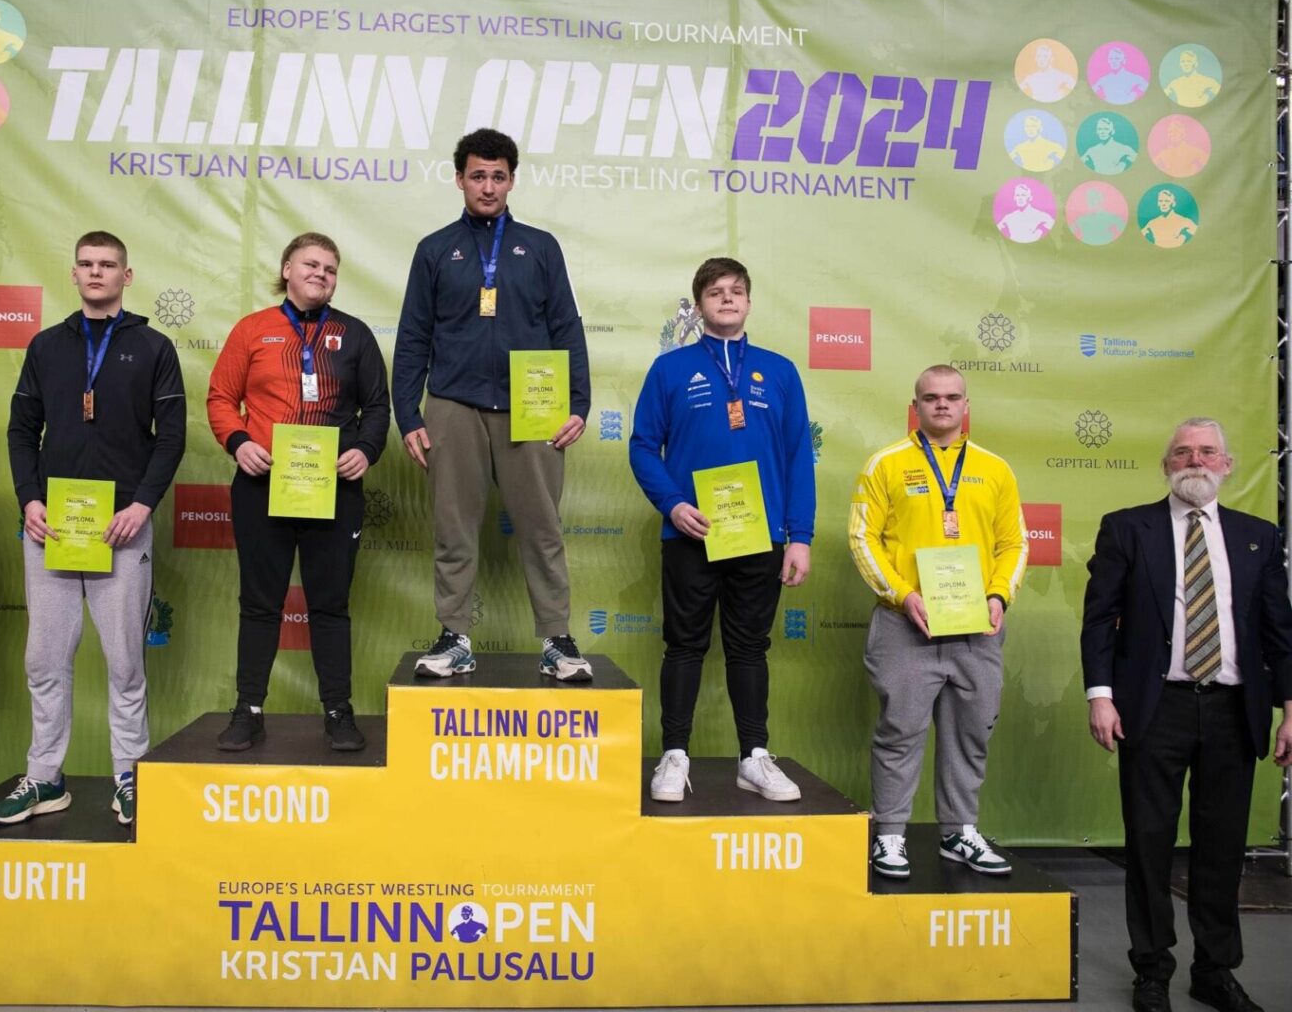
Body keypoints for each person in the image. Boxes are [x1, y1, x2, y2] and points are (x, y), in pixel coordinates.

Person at [1081, 418, 1292, 1012]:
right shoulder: (1128, 528)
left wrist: (1290, 710)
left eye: (1206, 452)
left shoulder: (1258, 536)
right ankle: (1151, 971)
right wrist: (1100, 695)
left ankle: (1214, 971)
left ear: (1227, 465)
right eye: (1182, 452)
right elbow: (1099, 620)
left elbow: (1280, 632)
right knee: (1149, 843)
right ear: (1166, 465)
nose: (1194, 461)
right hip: (1154, 708)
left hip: (1234, 709)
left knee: (1222, 848)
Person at [0, 231, 185, 826]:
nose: (96, 272)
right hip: (52, 527)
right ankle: (45, 778)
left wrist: (143, 506)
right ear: (73, 274)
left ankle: (129, 774)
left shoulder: (153, 347)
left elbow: (171, 437)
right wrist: (29, 500)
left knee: (125, 661)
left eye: (108, 264)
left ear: (127, 276)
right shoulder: (46, 346)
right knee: (45, 659)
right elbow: (22, 431)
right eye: (86, 264)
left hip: (122, 528)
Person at [392, 128, 592, 680]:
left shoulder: (540, 247)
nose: (487, 186)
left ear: (511, 181)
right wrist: (408, 414)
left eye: (498, 176)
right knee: (453, 529)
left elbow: (566, 327)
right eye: (477, 175)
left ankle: (557, 640)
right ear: (459, 179)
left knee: (542, 528)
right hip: (453, 403)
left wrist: (578, 402)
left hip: (534, 404)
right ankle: (454, 636)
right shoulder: (435, 249)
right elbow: (413, 335)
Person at [630, 257, 815, 803]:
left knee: (749, 649)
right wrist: (672, 505)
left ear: (749, 302)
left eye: (736, 290)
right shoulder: (670, 369)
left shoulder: (780, 372)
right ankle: (674, 755)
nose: (727, 298)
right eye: (715, 292)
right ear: (699, 306)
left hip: (760, 536)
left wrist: (800, 536)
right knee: (684, 646)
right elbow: (643, 446)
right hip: (692, 533)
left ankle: (754, 757)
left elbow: (798, 456)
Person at [206, 233, 390, 752]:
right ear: (287, 268)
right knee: (260, 604)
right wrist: (238, 442)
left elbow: (377, 407)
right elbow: (221, 398)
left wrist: (366, 450)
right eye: (311, 264)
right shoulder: (253, 329)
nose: (320, 274)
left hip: (333, 489)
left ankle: (338, 712)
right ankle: (248, 710)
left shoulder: (354, 335)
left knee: (329, 605)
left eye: (330, 269)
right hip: (262, 485)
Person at [848, 365, 1027, 878]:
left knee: (970, 734)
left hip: (977, 628)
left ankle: (958, 832)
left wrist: (999, 595)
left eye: (951, 397)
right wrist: (902, 595)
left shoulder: (995, 469)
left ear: (966, 405)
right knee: (900, 732)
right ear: (916, 406)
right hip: (906, 626)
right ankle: (889, 835)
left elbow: (1014, 542)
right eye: (931, 398)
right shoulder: (885, 464)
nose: (942, 405)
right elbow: (862, 538)